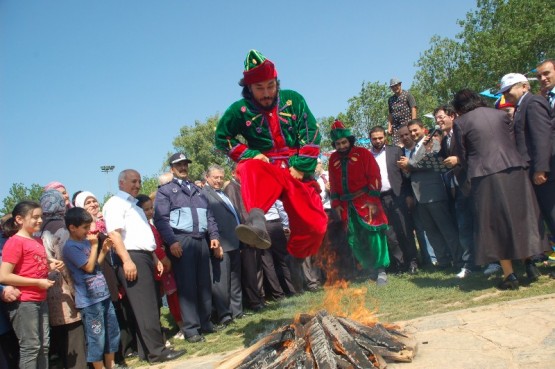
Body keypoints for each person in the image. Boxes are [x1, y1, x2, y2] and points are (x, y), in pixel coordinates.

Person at [215, 49, 327, 258]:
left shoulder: (294, 99)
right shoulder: (239, 110)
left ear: (277, 82)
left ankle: (296, 256)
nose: (266, 93)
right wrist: (250, 154)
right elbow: (222, 138)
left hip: (295, 168)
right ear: (249, 87)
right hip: (267, 169)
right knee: (249, 166)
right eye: (259, 88)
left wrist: (301, 166)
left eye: (270, 86)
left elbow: (311, 132)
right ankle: (256, 220)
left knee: (317, 226)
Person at [452, 89, 546, 289]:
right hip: (515, 169)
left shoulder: (461, 122)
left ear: (458, 108)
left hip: (486, 174)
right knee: (519, 217)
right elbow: (514, 141)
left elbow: (461, 153)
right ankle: (529, 263)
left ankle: (509, 275)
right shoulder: (501, 115)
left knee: (494, 223)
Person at [103, 169, 185, 362]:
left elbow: (143, 236)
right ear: (121, 183)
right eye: (133, 181)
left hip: (144, 256)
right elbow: (114, 234)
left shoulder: (136, 206)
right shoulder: (116, 203)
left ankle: (146, 351)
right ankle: (157, 352)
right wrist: (127, 260)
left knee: (149, 306)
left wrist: (155, 259)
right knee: (145, 308)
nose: (137, 185)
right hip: (132, 257)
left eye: (139, 181)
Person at [153, 154, 221, 343]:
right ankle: (191, 329)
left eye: (185, 164)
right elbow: (161, 219)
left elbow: (210, 216)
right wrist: (172, 241)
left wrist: (214, 236)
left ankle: (206, 322)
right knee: (187, 286)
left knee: (204, 283)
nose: (183, 167)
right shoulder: (166, 191)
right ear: (172, 168)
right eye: (179, 165)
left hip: (201, 240)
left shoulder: (198, 190)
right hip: (181, 241)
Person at [499, 72, 554, 272]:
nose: (506, 95)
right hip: (533, 171)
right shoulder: (522, 106)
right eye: (504, 92)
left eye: (509, 90)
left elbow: (542, 137)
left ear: (524, 86)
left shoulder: (533, 103)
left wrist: (541, 168)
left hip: (544, 173)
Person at [0, 201, 62, 369]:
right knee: (30, 348)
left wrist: (50, 267)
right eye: (35, 217)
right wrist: (37, 282)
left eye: (40, 216)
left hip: (40, 299)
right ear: (19, 219)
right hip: (24, 302)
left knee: (43, 346)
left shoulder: (37, 241)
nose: (40, 220)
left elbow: (31, 269)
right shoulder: (15, 242)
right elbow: (4, 276)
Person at [328, 120, 390, 285]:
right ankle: (368, 269)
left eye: (344, 142)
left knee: (374, 235)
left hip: (365, 201)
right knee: (354, 238)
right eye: (338, 143)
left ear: (350, 141)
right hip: (346, 206)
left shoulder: (363, 154)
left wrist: (372, 199)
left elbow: (374, 175)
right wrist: (336, 203)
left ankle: (381, 270)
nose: (341, 146)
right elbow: (333, 183)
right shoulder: (333, 158)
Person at [397, 119, 462, 272]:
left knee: (447, 230)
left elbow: (429, 162)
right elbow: (414, 169)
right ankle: (443, 262)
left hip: (434, 194)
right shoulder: (413, 150)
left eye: (415, 130)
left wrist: (409, 165)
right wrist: (407, 170)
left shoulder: (433, 143)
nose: (413, 134)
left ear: (423, 129)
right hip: (420, 197)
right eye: (410, 131)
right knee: (431, 232)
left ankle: (459, 261)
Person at [63, 207, 120, 369]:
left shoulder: (86, 243)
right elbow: (87, 268)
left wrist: (103, 250)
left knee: (111, 331)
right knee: (97, 336)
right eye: (85, 228)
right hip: (89, 301)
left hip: (103, 295)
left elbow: (96, 265)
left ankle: (111, 364)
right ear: (72, 227)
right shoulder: (71, 247)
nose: (89, 231)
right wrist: (95, 246)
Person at [39, 190, 88, 369]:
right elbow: (65, 263)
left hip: (48, 289)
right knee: (74, 332)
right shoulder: (62, 228)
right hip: (65, 288)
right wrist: (77, 291)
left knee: (61, 337)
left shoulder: (39, 229)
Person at [370, 125, 418, 274]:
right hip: (379, 199)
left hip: (397, 195)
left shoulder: (395, 151)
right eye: (374, 138)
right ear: (370, 139)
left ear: (385, 137)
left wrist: (409, 194)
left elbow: (405, 175)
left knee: (404, 229)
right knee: (390, 234)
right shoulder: (367, 156)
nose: (378, 141)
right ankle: (400, 264)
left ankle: (413, 262)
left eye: (380, 138)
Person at [135, 194, 184, 338]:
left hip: (164, 265)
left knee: (175, 296)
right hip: (160, 266)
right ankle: (180, 325)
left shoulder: (150, 224)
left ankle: (181, 324)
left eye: (151, 208)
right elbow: (152, 245)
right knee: (170, 298)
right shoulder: (142, 227)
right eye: (146, 209)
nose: (150, 212)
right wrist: (163, 258)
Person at [435, 105, 475, 278]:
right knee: (464, 227)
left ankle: (493, 262)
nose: (438, 121)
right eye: (436, 119)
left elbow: (475, 153)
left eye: (441, 117)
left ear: (453, 116)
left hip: (473, 184)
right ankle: (470, 264)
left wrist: (458, 159)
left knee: (480, 224)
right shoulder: (445, 140)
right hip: (458, 188)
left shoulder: (464, 132)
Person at [202, 165, 243, 326]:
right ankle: (224, 315)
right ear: (207, 177)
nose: (218, 180)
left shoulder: (224, 193)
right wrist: (216, 243)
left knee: (235, 279)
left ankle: (237, 311)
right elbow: (208, 219)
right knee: (221, 282)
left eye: (221, 177)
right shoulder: (204, 194)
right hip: (220, 244)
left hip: (234, 242)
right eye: (215, 177)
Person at [387, 77, 417, 146]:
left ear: (400, 85)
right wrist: (389, 126)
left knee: (409, 144)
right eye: (393, 87)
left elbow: (413, 108)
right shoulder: (390, 100)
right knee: (397, 147)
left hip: (407, 125)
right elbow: (390, 114)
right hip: (396, 127)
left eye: (396, 85)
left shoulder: (408, 95)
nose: (395, 88)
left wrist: (413, 124)